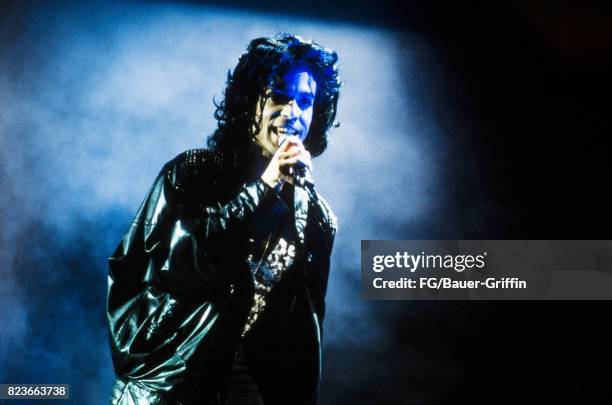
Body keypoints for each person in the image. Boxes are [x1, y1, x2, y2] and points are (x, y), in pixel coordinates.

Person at [107, 34, 341, 405]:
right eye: (279, 96)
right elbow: (181, 266)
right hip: (169, 384)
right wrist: (265, 186)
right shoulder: (195, 174)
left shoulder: (316, 216)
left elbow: (304, 331)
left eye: (306, 101)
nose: (293, 112)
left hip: (243, 386)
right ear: (249, 102)